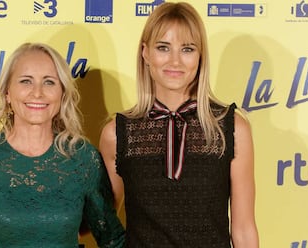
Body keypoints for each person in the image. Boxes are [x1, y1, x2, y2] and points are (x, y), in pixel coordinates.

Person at [99, 2, 259, 247]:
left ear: (200, 56)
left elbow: (244, 230)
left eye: (187, 49)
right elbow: (104, 223)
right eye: (163, 47)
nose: (175, 61)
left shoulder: (232, 129)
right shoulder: (117, 134)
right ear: (145, 53)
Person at [0, 42, 125, 248]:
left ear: (62, 93)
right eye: (26, 81)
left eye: (49, 82)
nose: (37, 93)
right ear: (7, 92)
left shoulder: (82, 158)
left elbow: (113, 239)